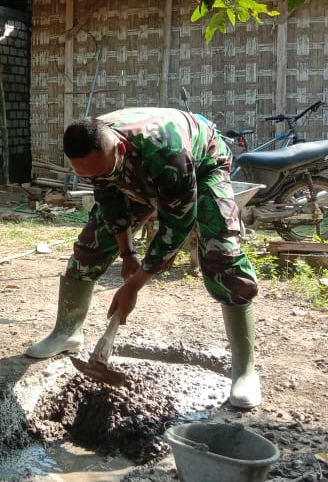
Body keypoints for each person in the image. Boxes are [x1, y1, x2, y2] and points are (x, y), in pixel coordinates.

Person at [26, 107, 262, 409]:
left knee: (222, 255)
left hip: (202, 165)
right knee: (91, 246)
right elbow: (111, 203)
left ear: (119, 149)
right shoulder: (98, 155)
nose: (95, 178)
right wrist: (127, 255)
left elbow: (177, 225)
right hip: (136, 169)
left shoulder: (168, 153)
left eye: (99, 173)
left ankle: (244, 371)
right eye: (87, 175)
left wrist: (134, 284)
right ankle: (67, 332)